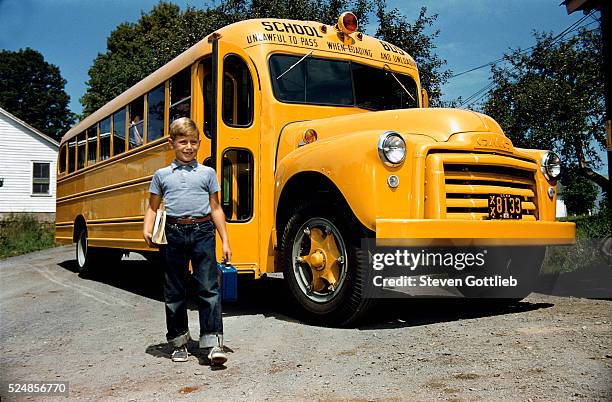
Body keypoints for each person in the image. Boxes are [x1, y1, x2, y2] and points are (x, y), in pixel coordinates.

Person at [143, 117, 231, 365]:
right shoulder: (162, 175)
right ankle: (179, 342)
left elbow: (216, 209)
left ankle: (213, 343)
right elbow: (152, 207)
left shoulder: (208, 173)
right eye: (183, 142)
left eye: (193, 142)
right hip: (173, 233)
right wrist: (147, 228)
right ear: (172, 143)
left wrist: (225, 240)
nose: (188, 147)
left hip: (203, 231)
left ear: (199, 143)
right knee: (175, 290)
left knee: (208, 287)